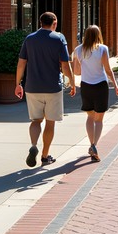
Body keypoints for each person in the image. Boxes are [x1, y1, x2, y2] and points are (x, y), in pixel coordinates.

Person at [15, 12, 76, 168]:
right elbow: (65, 64)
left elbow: (21, 63)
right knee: (50, 123)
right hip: (52, 88)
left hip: (32, 87)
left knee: (36, 121)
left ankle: (34, 145)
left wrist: (18, 83)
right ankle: (44, 156)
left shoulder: (30, 39)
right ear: (54, 23)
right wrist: (72, 81)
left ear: (40, 22)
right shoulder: (59, 39)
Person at [71, 25, 118, 162]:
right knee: (99, 120)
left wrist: (82, 63)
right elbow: (108, 69)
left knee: (90, 117)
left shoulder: (78, 50)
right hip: (100, 86)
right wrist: (115, 85)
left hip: (86, 86)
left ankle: (91, 144)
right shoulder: (102, 49)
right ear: (98, 35)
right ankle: (94, 145)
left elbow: (76, 72)